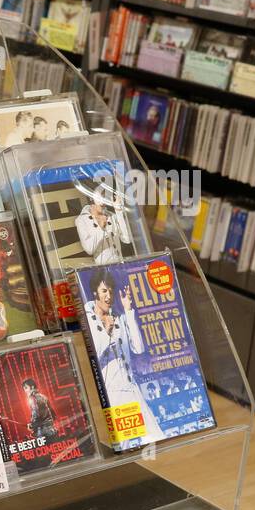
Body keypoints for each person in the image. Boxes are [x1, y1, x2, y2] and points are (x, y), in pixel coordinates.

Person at [83, 269, 163, 442]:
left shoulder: (119, 317)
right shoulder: (87, 318)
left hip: (131, 389)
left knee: (156, 437)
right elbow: (94, 353)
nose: (108, 296)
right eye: (104, 290)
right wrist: (106, 331)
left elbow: (138, 348)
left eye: (111, 291)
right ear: (95, 292)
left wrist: (128, 311)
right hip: (111, 394)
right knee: (124, 445)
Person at [75, 184, 135, 264]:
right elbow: (89, 249)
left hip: (121, 264)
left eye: (105, 197)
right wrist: (100, 227)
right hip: (104, 269)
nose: (103, 202)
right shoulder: (82, 220)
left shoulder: (111, 216)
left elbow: (127, 239)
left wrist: (118, 211)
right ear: (91, 198)